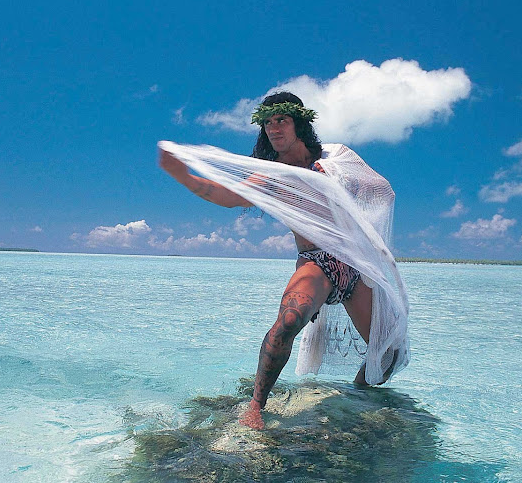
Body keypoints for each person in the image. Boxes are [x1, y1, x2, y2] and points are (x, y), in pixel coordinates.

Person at [159, 92, 398, 430]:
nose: (273, 128)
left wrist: (350, 204)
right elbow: (228, 196)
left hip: (356, 264)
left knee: (387, 351)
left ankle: (357, 396)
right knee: (289, 321)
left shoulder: (335, 158)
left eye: (281, 120)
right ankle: (256, 405)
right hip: (318, 262)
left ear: (298, 122)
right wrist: (181, 174)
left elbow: (380, 189)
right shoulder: (273, 175)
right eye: (267, 123)